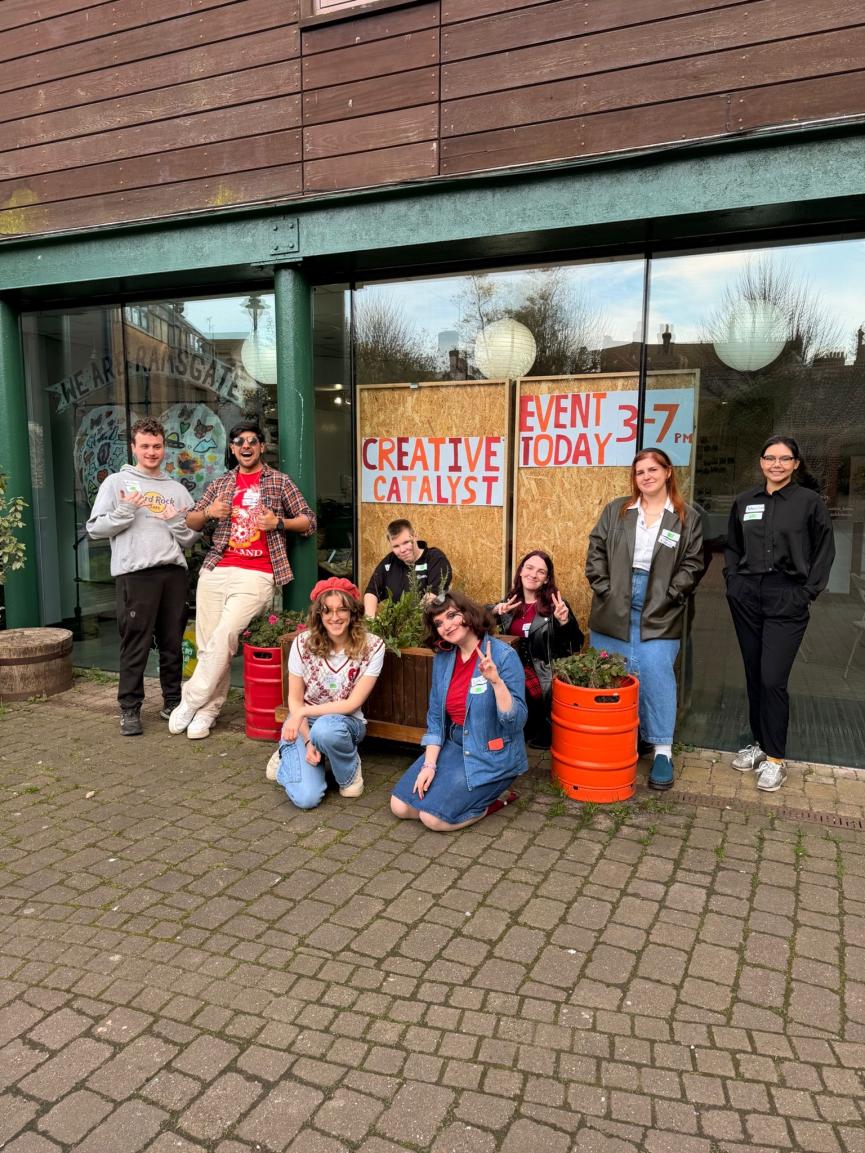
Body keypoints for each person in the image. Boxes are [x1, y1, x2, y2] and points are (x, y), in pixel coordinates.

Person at [169, 419, 316, 740]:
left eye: (252, 441)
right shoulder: (221, 483)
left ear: (262, 446)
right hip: (216, 569)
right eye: (239, 442)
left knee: (225, 636)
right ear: (232, 449)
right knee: (209, 645)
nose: (246, 447)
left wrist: (278, 522)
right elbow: (191, 521)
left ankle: (190, 698)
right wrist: (209, 513)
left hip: (257, 573)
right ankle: (207, 712)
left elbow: (309, 521)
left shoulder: (279, 481)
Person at [585, 447, 704, 790]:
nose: (646, 476)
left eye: (653, 469)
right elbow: (596, 550)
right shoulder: (618, 510)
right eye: (640, 472)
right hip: (615, 600)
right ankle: (616, 741)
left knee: (656, 671)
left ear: (668, 472)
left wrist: (671, 594)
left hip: (661, 604)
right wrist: (605, 589)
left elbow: (693, 562)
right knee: (612, 671)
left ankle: (662, 751)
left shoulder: (686, 516)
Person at [725, 435, 835, 792]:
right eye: (770, 458)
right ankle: (760, 743)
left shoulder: (809, 502)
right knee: (754, 674)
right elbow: (732, 546)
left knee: (773, 678)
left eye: (784, 459)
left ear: (795, 464)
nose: (777, 464)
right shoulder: (745, 501)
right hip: (747, 596)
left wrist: (807, 592)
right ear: (761, 462)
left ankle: (775, 759)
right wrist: (733, 582)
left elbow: (824, 551)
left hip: (788, 596)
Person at [87, 418, 199, 736]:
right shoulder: (116, 483)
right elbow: (95, 528)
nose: (152, 452)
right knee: (135, 643)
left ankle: (173, 703)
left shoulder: (177, 490)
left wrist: (175, 522)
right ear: (134, 448)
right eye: (145, 446)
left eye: (157, 446)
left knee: (172, 643)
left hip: (173, 573)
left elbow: (191, 538)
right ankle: (130, 709)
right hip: (135, 575)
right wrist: (124, 511)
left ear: (164, 448)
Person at [390, 590, 527, 831]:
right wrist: (429, 766)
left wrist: (496, 682)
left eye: (452, 615)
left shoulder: (504, 656)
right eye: (439, 623)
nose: (447, 626)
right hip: (454, 743)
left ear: (468, 614)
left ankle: (493, 801)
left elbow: (515, 722)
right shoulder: (444, 658)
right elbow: (435, 718)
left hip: (490, 753)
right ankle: (451, 794)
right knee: (400, 807)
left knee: (434, 820)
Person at [266, 577, 385, 808]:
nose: (335, 617)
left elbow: (352, 704)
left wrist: (302, 714)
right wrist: (307, 740)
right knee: (306, 798)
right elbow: (295, 699)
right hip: (304, 722)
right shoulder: (302, 643)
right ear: (318, 614)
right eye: (327, 610)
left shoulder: (373, 646)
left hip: (344, 722)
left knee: (325, 730)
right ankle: (289, 753)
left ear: (353, 612)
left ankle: (349, 773)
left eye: (342, 609)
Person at [492, 550, 584, 749]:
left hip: (544, 672)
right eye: (529, 568)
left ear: (546, 579)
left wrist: (564, 622)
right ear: (521, 571)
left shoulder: (556, 606)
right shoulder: (510, 602)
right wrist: (494, 610)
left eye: (541, 572)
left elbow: (576, 644)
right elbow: (477, 621)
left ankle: (537, 728)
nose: (533, 575)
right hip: (513, 668)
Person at [363, 518, 451, 617]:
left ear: (415, 536)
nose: (402, 550)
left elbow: (433, 594)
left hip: (428, 621)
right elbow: (371, 591)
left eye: (406, 542)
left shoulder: (435, 558)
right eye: (396, 546)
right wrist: (370, 619)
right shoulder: (389, 561)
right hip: (397, 623)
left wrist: (412, 621)